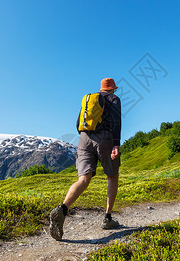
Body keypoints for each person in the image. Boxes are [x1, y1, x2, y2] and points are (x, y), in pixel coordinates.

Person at [48, 78, 122, 241]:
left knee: (83, 179)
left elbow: (78, 123)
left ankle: (62, 209)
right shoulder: (113, 99)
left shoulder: (90, 99)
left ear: (101, 88)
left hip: (84, 137)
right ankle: (107, 218)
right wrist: (115, 144)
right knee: (112, 176)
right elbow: (116, 122)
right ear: (113, 89)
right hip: (105, 138)